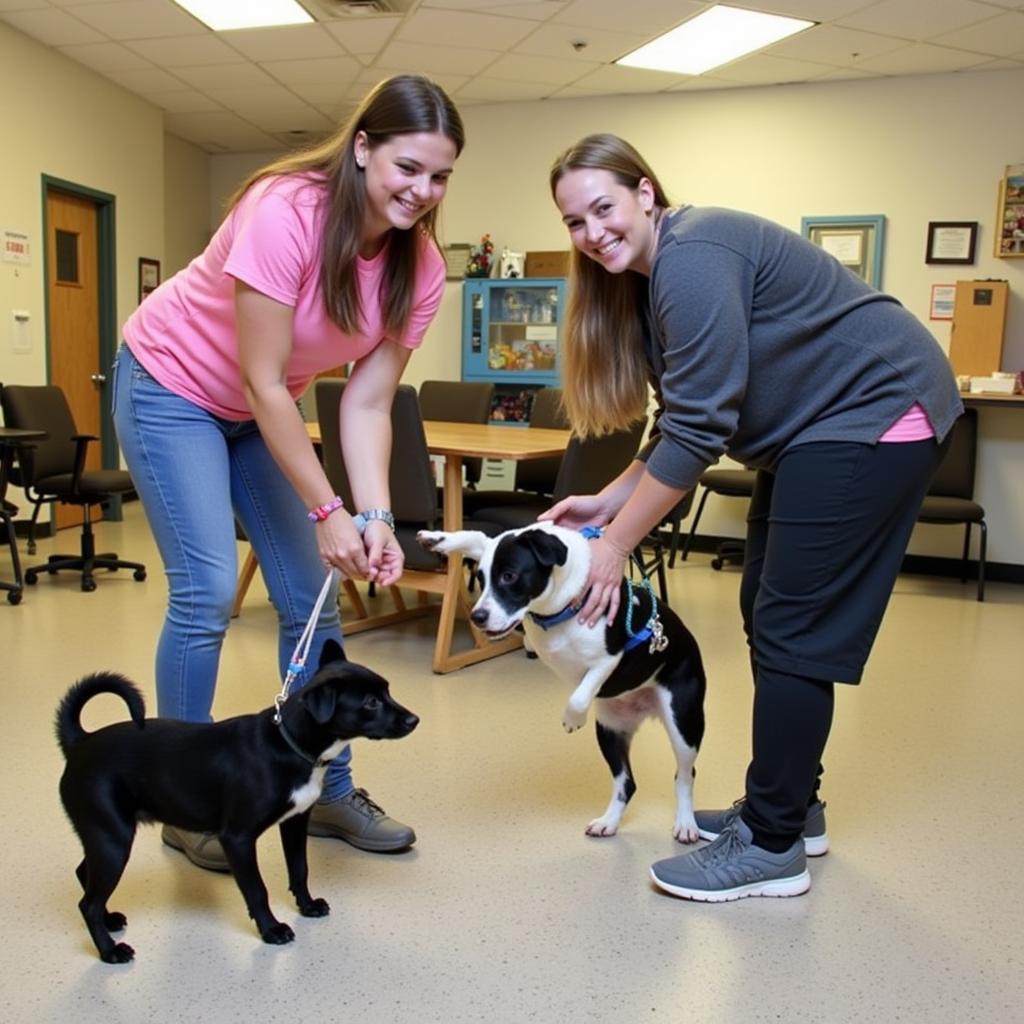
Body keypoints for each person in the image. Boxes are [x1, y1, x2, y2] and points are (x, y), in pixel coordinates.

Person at [544, 133, 962, 902]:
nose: (592, 231)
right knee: (764, 604)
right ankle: (792, 809)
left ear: (645, 193)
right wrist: (616, 495)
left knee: (795, 628)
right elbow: (685, 412)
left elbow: (702, 430)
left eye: (603, 207)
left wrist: (615, 546)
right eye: (574, 221)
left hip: (874, 412)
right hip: (818, 429)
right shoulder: (649, 278)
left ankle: (772, 847)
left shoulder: (694, 255)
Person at [113, 75, 464, 870]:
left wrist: (371, 517)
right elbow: (265, 381)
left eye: (439, 176)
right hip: (171, 386)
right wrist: (326, 511)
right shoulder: (287, 211)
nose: (422, 190)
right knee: (204, 592)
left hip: (255, 411)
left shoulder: (422, 267)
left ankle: (329, 785)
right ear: (364, 147)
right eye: (408, 167)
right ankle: (177, 801)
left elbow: (369, 403)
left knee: (313, 598)